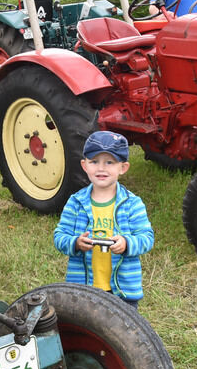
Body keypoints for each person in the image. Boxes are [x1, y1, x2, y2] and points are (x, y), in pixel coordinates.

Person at [53, 131, 154, 308]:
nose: (101, 168)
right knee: (85, 331)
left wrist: (126, 243)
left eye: (109, 162)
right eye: (94, 162)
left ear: (123, 168)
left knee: (123, 333)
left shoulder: (132, 204)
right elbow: (60, 236)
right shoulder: (76, 202)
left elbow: (147, 238)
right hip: (83, 291)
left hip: (123, 292)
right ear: (84, 165)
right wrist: (76, 242)